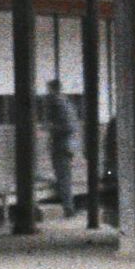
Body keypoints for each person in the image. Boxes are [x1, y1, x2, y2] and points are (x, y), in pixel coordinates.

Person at [43, 81, 80, 217]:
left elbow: (66, 127)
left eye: (49, 90)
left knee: (63, 176)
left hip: (61, 146)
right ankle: (68, 207)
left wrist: (50, 128)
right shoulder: (68, 103)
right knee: (64, 176)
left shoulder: (58, 104)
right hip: (68, 145)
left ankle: (68, 208)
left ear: (52, 89)